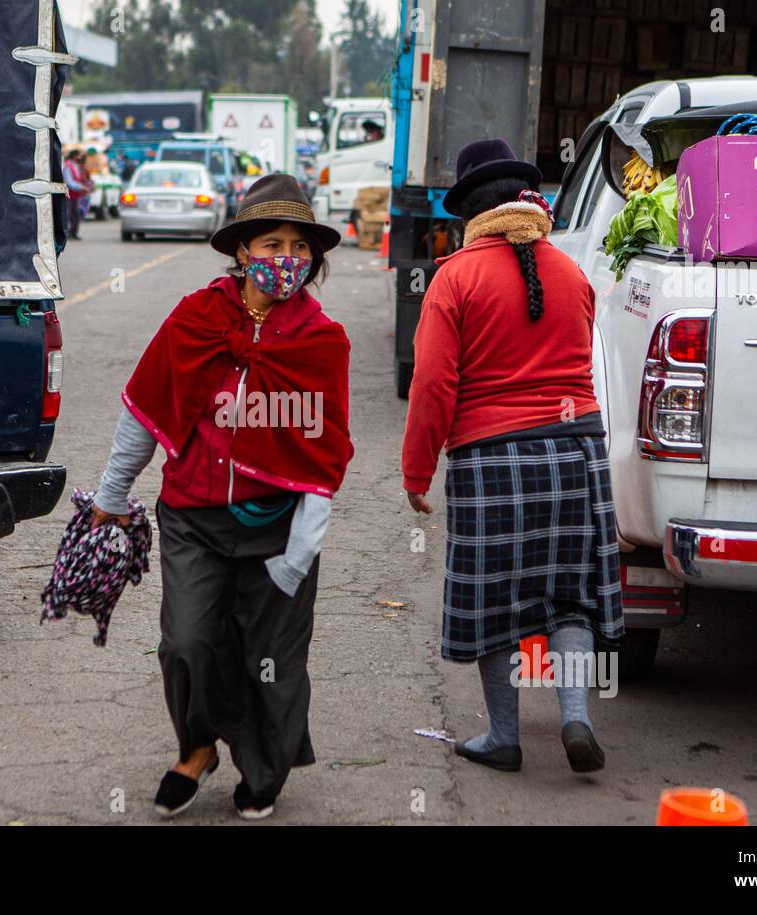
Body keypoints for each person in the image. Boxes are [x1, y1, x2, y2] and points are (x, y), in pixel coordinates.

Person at [91, 173, 353, 819]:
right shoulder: (196, 317)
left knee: (270, 658)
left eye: (298, 244)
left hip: (279, 523)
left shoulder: (320, 340)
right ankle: (198, 745)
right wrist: (111, 493)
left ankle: (262, 771)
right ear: (241, 250)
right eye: (270, 242)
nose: (284, 257)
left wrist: (304, 541)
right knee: (186, 642)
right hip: (192, 515)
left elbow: (326, 454)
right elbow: (148, 406)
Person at [400, 139, 624, 774]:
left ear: (468, 213)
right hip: (578, 454)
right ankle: (575, 717)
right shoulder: (570, 273)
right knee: (572, 595)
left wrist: (417, 470)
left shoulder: (455, 277)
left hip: (490, 459)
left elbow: (434, 383)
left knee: (494, 600)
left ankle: (505, 736)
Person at [62, 149, 93, 240]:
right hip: (69, 194)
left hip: (75, 195)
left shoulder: (75, 166)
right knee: (68, 214)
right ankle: (66, 234)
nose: (80, 157)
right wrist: (82, 187)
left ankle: (73, 233)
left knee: (75, 214)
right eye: (79, 155)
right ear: (75, 156)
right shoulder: (68, 166)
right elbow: (69, 182)